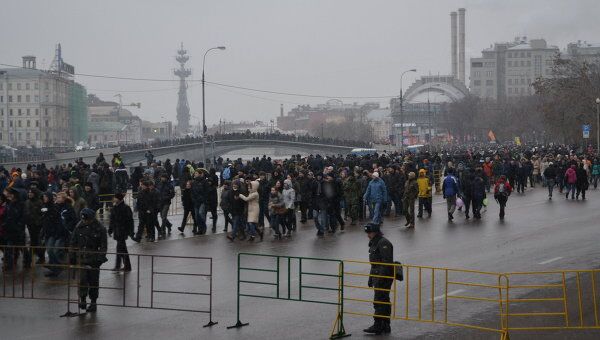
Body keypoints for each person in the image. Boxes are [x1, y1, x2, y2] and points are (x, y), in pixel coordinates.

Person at [70, 208, 108, 312]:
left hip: (94, 259)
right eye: (83, 220)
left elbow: (103, 246)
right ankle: (82, 299)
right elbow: (73, 242)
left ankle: (93, 302)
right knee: (82, 280)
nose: (85, 221)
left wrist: (100, 258)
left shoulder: (99, 228)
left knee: (93, 282)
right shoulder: (79, 226)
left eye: (87, 220)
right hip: (81, 258)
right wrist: (72, 257)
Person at [363, 222, 393, 335]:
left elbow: (386, 263)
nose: (367, 235)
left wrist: (381, 278)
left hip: (384, 276)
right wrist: (371, 278)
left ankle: (378, 325)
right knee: (383, 300)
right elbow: (374, 264)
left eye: (369, 232)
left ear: (375, 232)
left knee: (379, 300)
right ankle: (385, 325)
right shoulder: (374, 243)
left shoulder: (383, 243)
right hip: (377, 275)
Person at [108, 193, 134, 272]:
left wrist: (130, 231)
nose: (113, 199)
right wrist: (110, 229)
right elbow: (112, 220)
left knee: (120, 249)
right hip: (117, 231)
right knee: (122, 249)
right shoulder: (114, 207)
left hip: (123, 231)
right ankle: (126, 266)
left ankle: (119, 266)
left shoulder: (126, 208)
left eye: (115, 198)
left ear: (119, 199)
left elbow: (130, 221)